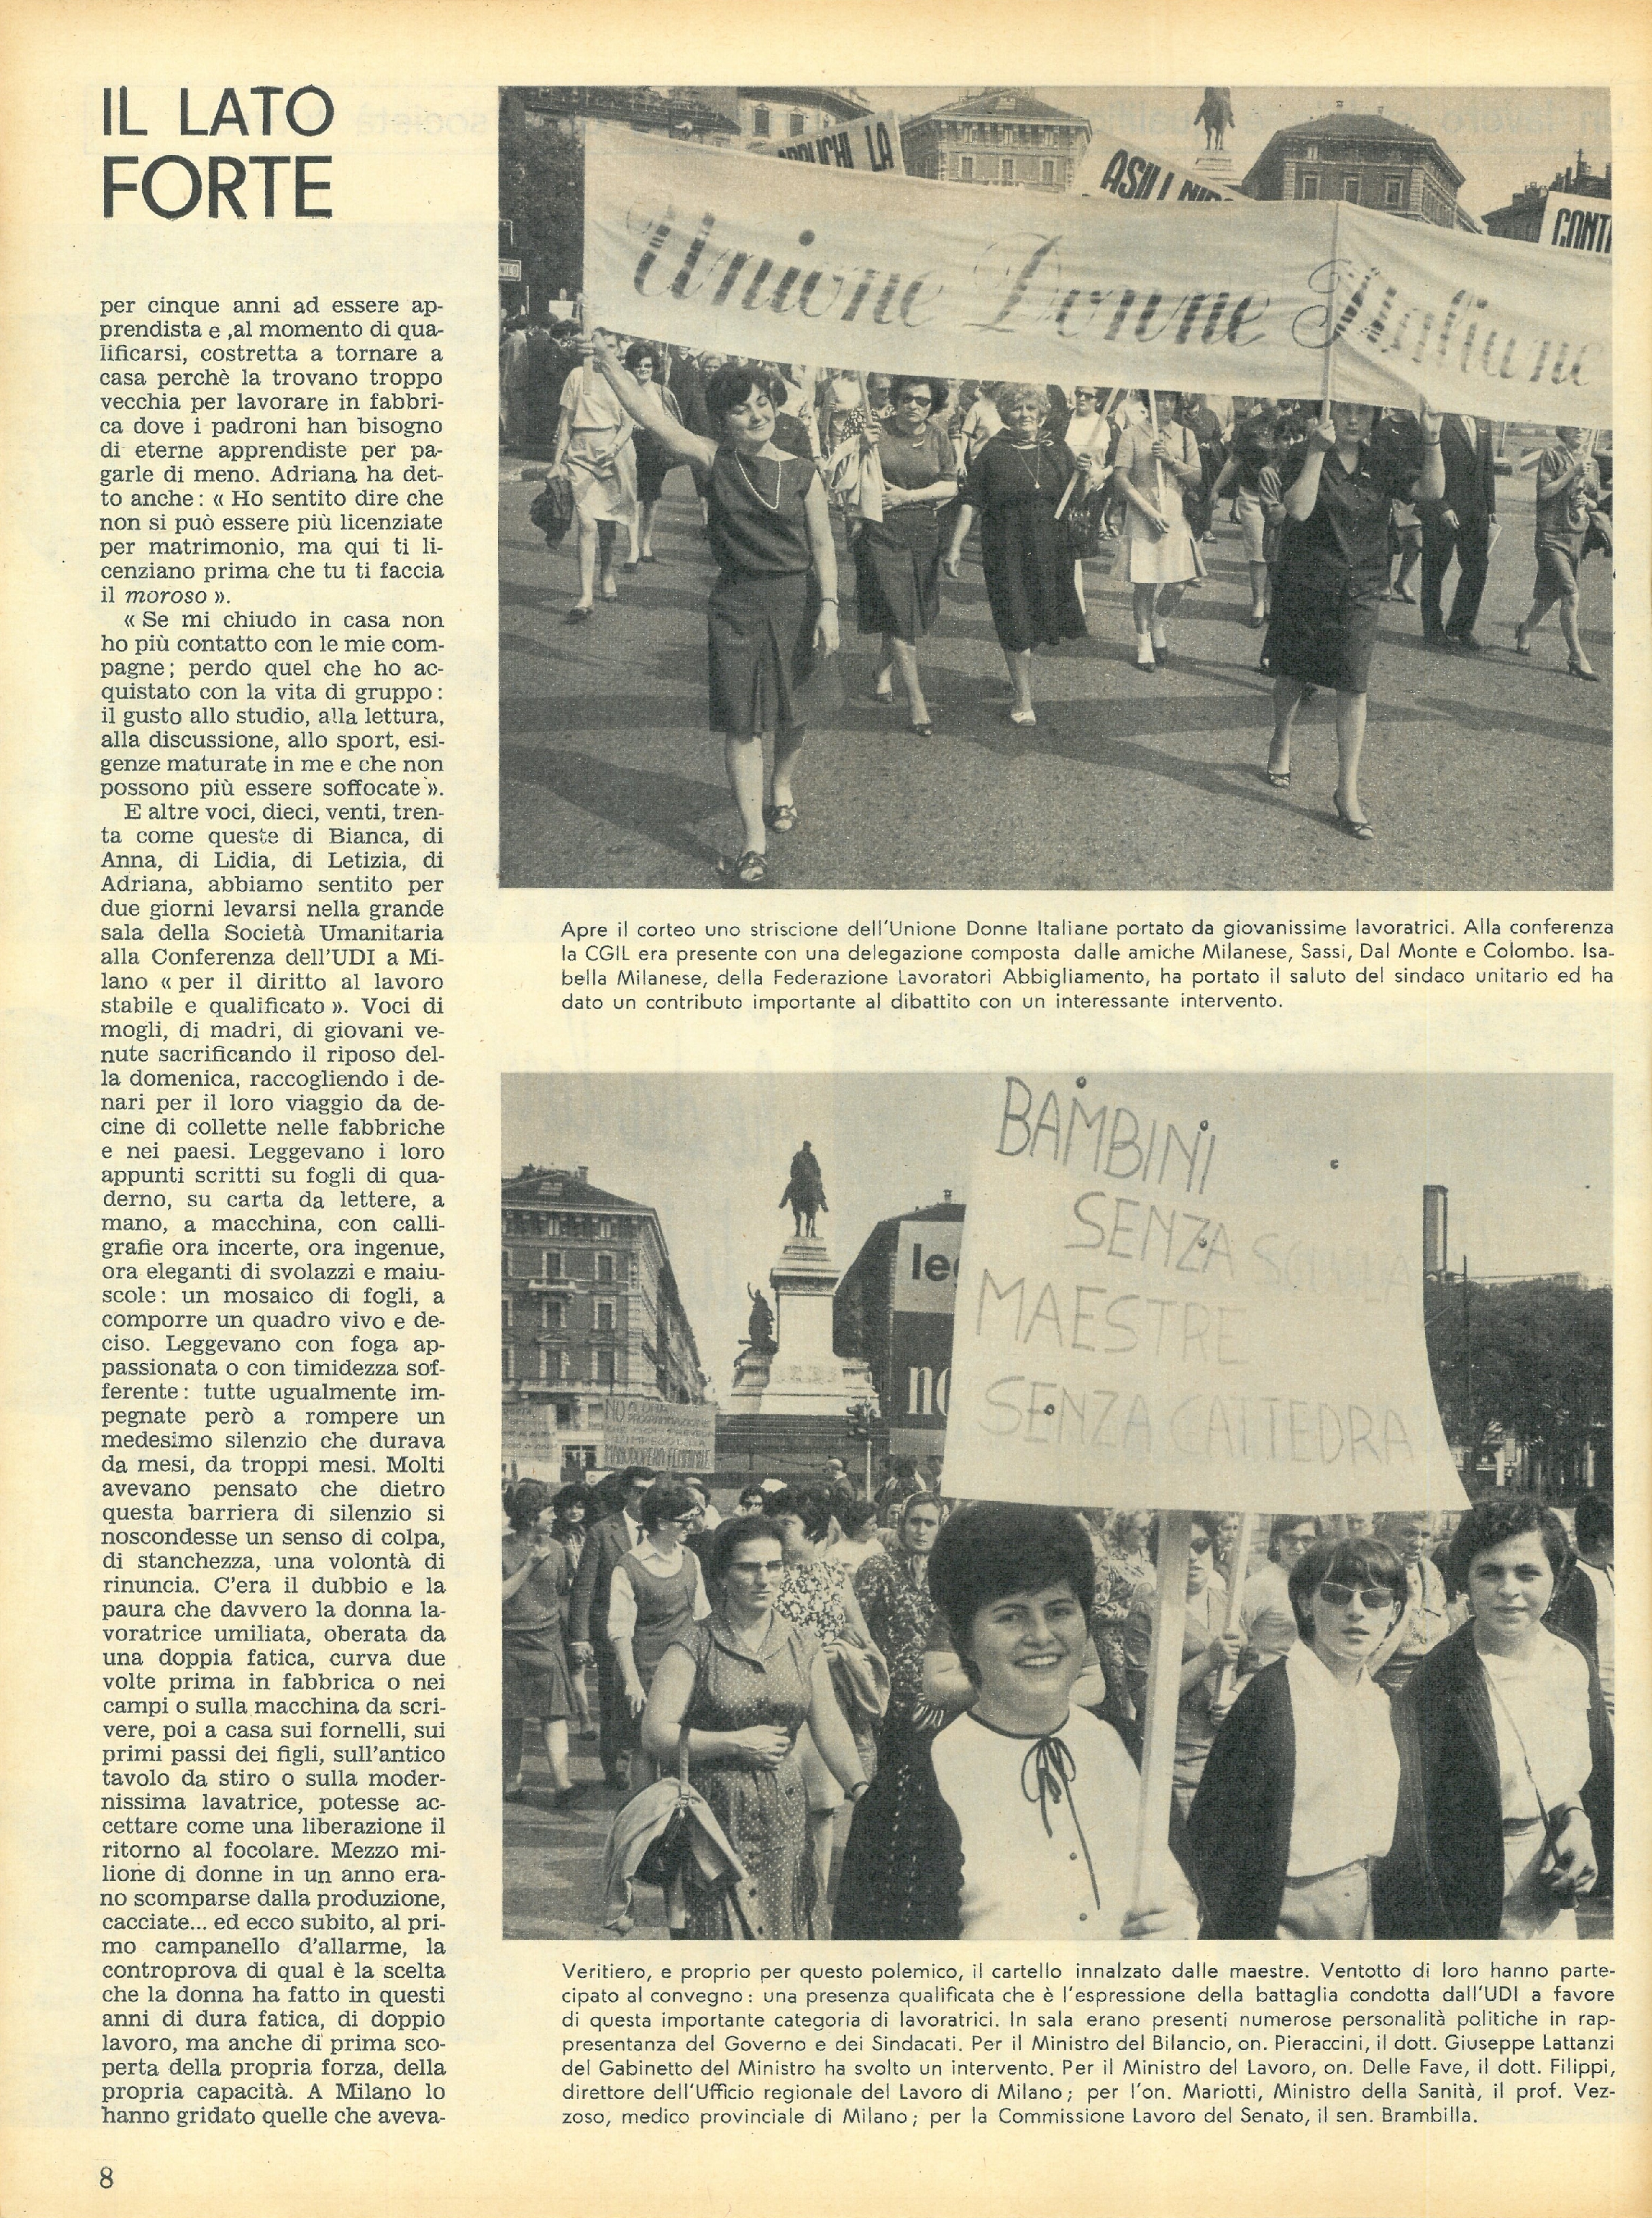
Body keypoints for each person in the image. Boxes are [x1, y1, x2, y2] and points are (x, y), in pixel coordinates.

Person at [848, 1504, 1198, 1941]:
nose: (1040, 1635)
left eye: (1059, 1610)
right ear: (964, 1640)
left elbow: (1185, 1884)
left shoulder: (1131, 1748)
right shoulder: (909, 1789)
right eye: (1010, 1615)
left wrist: (1185, 1916)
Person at [588, 338, 842, 887]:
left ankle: (781, 785)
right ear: (723, 420)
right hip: (737, 604)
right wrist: (607, 360)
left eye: (762, 404)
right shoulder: (712, 458)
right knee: (741, 722)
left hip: (797, 601)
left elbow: (823, 546)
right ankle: (753, 839)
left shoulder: (803, 471)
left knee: (796, 712)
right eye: (741, 408)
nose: (756, 415)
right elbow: (651, 415)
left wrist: (829, 606)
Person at [1375, 1496, 1611, 1940]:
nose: (1508, 1589)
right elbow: (1408, 1833)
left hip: (1554, 1895)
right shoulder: (1437, 1684)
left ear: (1557, 1581)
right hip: (1472, 1905)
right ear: (1464, 1580)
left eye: (1527, 1572)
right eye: (1489, 1572)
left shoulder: (1571, 1662)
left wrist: (1577, 1821)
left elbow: (1567, 1772)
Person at [641, 1516, 869, 1940]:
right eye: (749, 1567)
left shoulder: (804, 1643)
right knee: (720, 1939)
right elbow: (656, 1734)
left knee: (787, 1932)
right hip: (714, 1820)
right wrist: (734, 1742)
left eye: (774, 1565)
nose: (764, 1578)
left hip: (786, 1816)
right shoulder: (694, 1643)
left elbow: (829, 1723)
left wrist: (859, 1789)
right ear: (723, 1576)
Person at [1189, 1533, 1407, 1938]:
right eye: (1337, 1596)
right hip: (1281, 1912)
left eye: (1374, 1599)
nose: (1356, 1613)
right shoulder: (1270, 1699)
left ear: (1394, 1612)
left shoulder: (1381, 1702)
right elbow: (1214, 1829)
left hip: (1365, 1903)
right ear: (1307, 1603)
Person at [1260, 395, 1445, 837]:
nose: (1353, 418)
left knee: (1353, 686)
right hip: (1306, 583)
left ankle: (1346, 790)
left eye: (1363, 411)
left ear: (1374, 417)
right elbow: (1298, 509)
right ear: (1328, 411)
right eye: (1344, 409)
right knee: (1291, 675)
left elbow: (1432, 492)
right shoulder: (1302, 454)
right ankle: (1280, 739)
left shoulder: (1381, 460)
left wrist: (1433, 436)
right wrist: (1315, 453)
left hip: (1359, 587)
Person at [944, 383, 1089, 728]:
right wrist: (955, 546)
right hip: (1006, 547)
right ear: (1004, 414)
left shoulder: (1057, 447)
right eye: (1016, 409)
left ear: (1042, 413)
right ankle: (1023, 697)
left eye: (1030, 409)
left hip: (1051, 548)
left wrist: (1083, 474)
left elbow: (1076, 499)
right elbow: (972, 501)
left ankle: (1019, 671)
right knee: (1015, 617)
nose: (1024, 416)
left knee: (1039, 616)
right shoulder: (994, 451)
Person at [771, 1485, 884, 1905]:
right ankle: (777, 1891)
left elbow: (864, 1638)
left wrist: (845, 1651)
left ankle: (815, 1894)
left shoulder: (835, 1575)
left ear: (812, 1529)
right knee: (775, 1802)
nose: (778, 1532)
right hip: (776, 1698)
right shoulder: (764, 1576)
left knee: (822, 1806)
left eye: (787, 1524)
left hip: (827, 1699)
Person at [851, 376, 956, 738]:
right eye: (907, 398)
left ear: (933, 405)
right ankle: (918, 703)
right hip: (881, 532)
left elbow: (950, 485)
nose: (914, 406)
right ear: (896, 399)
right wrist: (860, 446)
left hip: (924, 531)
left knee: (914, 613)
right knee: (900, 615)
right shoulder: (875, 431)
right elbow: (843, 469)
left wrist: (908, 496)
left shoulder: (939, 437)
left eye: (923, 401)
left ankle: (883, 671)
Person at [1123, 1513, 1243, 1818]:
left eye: (1201, 1545)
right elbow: (1145, 1696)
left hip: (1228, 1758)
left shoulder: (1227, 1603)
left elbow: (1253, 1665)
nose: (1192, 1556)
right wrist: (1208, 1660)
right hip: (1175, 1767)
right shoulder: (1147, 1611)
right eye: (1179, 1550)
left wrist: (1237, 1694)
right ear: (1158, 1558)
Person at [608, 1480, 712, 1793]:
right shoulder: (628, 1567)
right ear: (662, 1523)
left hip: (684, 1669)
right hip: (644, 1671)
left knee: (683, 1745)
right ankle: (645, 1817)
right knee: (646, 1747)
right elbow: (620, 1631)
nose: (690, 1527)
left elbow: (702, 1616)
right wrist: (632, 1681)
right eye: (684, 1521)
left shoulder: (691, 1559)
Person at [568, 1466, 654, 1791]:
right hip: (611, 1632)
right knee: (615, 1700)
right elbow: (585, 1587)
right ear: (626, 1492)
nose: (644, 1498)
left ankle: (646, 1761)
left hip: (650, 1630)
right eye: (638, 1491)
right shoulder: (604, 1532)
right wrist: (580, 1637)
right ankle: (616, 1764)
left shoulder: (661, 1530)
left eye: (650, 1491)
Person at [1108, 391, 1205, 671]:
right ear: (1146, 403)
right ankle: (1144, 643)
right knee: (1146, 584)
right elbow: (1121, 479)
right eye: (1158, 399)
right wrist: (1148, 512)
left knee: (1178, 583)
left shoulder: (1186, 435)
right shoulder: (1132, 434)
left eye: (1170, 400)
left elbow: (1198, 477)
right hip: (1142, 514)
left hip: (1174, 513)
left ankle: (1158, 625)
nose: (1164, 405)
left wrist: (1172, 461)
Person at [549, 331, 638, 620]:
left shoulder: (624, 379)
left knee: (608, 524)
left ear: (617, 352)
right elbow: (565, 422)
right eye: (599, 347)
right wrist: (556, 462)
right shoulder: (576, 376)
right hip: (581, 455)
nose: (603, 351)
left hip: (614, 455)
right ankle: (585, 596)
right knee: (587, 524)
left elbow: (628, 425)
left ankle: (608, 572)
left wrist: (612, 449)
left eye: (610, 347)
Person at [502, 1480, 579, 1805]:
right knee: (510, 1717)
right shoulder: (499, 1549)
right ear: (532, 1517)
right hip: (507, 1641)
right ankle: (511, 1782)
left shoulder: (559, 1549)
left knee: (554, 1713)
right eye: (548, 1511)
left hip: (548, 1640)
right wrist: (531, 1564)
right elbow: (498, 1595)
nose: (554, 1517)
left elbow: (561, 1591)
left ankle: (563, 1784)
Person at [1515, 427, 1603, 679]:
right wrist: (1572, 474)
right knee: (1571, 594)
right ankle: (1577, 657)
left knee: (1551, 594)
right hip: (1551, 535)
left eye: (1584, 429)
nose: (1580, 432)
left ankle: (1525, 629)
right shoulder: (1552, 456)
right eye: (1574, 428)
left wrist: (1589, 503)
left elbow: (1596, 499)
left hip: (1577, 535)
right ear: (1563, 432)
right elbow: (1544, 493)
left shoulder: (1592, 463)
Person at [1420, 408, 1497, 653]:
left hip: (1476, 513)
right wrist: (1441, 507)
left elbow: (1487, 467)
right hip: (1443, 510)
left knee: (1477, 569)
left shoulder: (1483, 420)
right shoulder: (1438, 418)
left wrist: (1490, 508)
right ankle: (1433, 629)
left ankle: (1461, 627)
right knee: (1434, 571)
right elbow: (1423, 464)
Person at [1369, 1511, 1451, 1694]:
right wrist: (1410, 1605)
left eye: (1426, 1535)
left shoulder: (1429, 1570)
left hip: (1435, 1686)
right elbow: (1367, 1668)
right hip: (1386, 1690)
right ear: (1382, 1532)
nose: (1418, 1544)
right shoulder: (1368, 1576)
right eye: (1408, 1533)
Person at [1210, 406, 1278, 626]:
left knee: (1278, 552)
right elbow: (1234, 461)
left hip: (1284, 499)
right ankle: (1258, 602)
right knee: (1258, 550)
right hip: (1253, 495)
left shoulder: (1297, 423)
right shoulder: (1250, 427)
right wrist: (1216, 488)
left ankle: (1271, 601)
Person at [620, 340, 684, 565]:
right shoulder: (624, 390)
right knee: (632, 499)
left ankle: (646, 545)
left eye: (647, 365)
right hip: (630, 446)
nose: (643, 369)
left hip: (655, 449)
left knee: (651, 499)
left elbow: (675, 420)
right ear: (631, 366)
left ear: (654, 367)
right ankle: (632, 550)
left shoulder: (662, 392)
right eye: (639, 365)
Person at [1239, 1514, 1322, 1671]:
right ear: (1277, 1542)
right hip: (1270, 1679)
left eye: (1307, 1540)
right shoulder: (1260, 1584)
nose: (1298, 1547)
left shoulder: (1320, 1582)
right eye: (1290, 1539)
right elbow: (1234, 1635)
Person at [1061, 385, 1114, 614]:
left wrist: (1102, 474)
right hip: (1063, 489)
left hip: (1091, 493)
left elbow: (1115, 460)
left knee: (1076, 547)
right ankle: (1069, 602)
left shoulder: (1106, 425)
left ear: (1098, 400)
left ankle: (1076, 603)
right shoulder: (1063, 421)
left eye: (1088, 396)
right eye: (1079, 393)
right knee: (1062, 544)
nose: (1082, 398)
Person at [550, 1483, 595, 1734]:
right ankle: (585, 1719)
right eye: (570, 1506)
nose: (575, 1511)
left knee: (582, 1665)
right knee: (575, 1666)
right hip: (564, 1604)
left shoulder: (591, 1533)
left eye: (580, 1506)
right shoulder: (554, 1537)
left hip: (589, 1602)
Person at [826, 1494, 884, 1576]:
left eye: (876, 1523)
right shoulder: (838, 1549)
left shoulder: (877, 1546)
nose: (876, 1527)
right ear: (857, 1526)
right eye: (871, 1524)